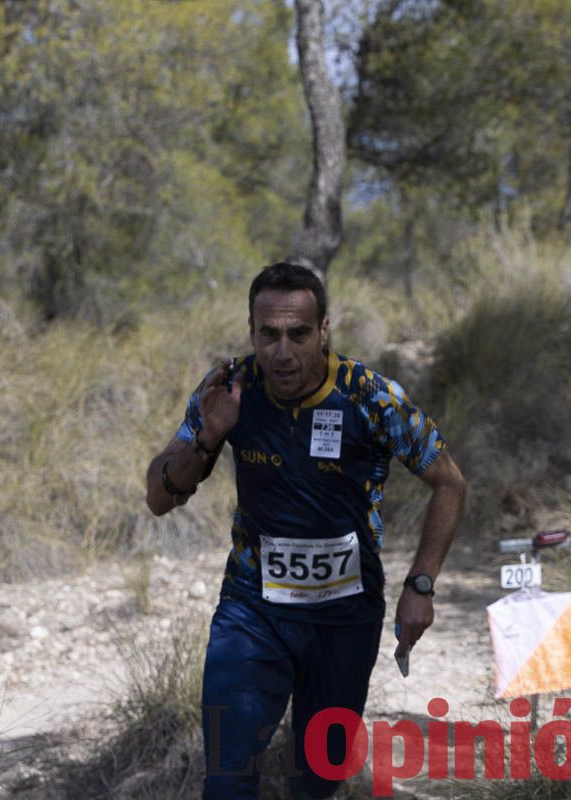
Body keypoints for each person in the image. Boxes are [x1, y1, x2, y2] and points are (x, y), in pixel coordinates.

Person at [145, 262, 465, 799]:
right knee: (225, 778)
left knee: (317, 782)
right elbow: (160, 497)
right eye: (268, 335)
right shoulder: (229, 389)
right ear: (251, 332)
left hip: (345, 616)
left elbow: (449, 483)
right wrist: (209, 436)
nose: (282, 352)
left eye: (298, 334)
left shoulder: (371, 396)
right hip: (253, 609)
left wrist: (421, 585)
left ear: (324, 330)